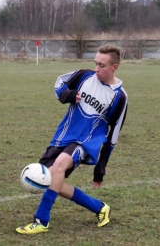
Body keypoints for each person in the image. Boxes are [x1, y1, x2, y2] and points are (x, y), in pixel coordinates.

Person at [16, 44, 128, 234]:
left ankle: (41, 220)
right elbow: (59, 83)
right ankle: (100, 208)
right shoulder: (84, 76)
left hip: (86, 142)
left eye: (102, 65)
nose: (97, 69)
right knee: (51, 180)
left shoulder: (120, 97)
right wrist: (67, 95)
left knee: (59, 166)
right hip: (63, 137)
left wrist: (100, 168)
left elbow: (113, 136)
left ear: (114, 67)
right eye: (96, 64)